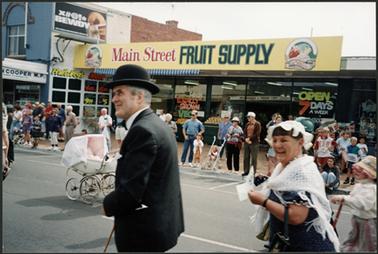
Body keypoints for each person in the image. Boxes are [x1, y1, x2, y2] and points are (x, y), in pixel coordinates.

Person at [102, 64, 184, 252]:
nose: (114, 99)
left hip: (142, 235)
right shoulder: (157, 124)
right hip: (156, 229)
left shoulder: (142, 130)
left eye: (119, 93)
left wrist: (108, 205)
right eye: (113, 94)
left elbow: (131, 192)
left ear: (139, 97)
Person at [248, 120, 339, 251]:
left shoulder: (302, 172)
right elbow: (282, 188)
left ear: (301, 142)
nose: (277, 145)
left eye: (284, 140)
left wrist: (263, 201)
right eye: (275, 140)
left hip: (306, 247)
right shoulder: (287, 167)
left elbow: (296, 216)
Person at [330, 155, 376, 252]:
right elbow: (353, 200)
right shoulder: (359, 185)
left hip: (368, 221)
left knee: (368, 245)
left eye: (361, 170)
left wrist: (344, 199)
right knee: (353, 241)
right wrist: (343, 200)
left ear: (370, 174)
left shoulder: (371, 189)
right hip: (357, 219)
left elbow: (363, 204)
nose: (356, 172)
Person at [243, 112, 261, 176]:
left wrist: (250, 139)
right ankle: (246, 171)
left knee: (254, 158)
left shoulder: (257, 124)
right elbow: (244, 132)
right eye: (248, 117)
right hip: (247, 142)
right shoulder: (247, 124)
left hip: (254, 143)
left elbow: (257, 133)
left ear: (253, 117)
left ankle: (252, 172)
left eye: (249, 117)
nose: (248, 118)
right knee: (246, 157)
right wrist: (245, 139)